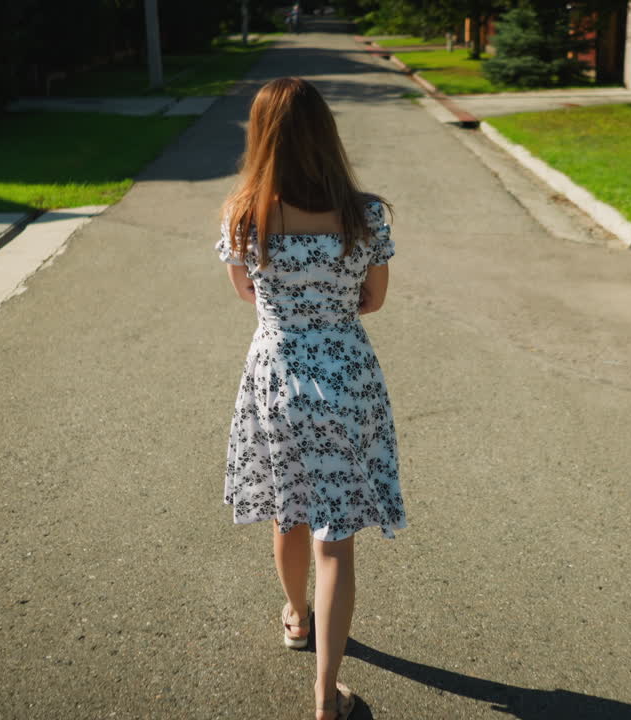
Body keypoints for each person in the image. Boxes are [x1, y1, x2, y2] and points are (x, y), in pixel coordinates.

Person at [216, 77, 407, 720]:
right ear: (328, 134)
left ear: (260, 135)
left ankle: (296, 617)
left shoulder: (244, 214)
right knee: (337, 540)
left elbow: (246, 292)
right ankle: (327, 699)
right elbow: (373, 299)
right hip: (346, 378)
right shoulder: (366, 213)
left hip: (276, 375)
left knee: (288, 510)